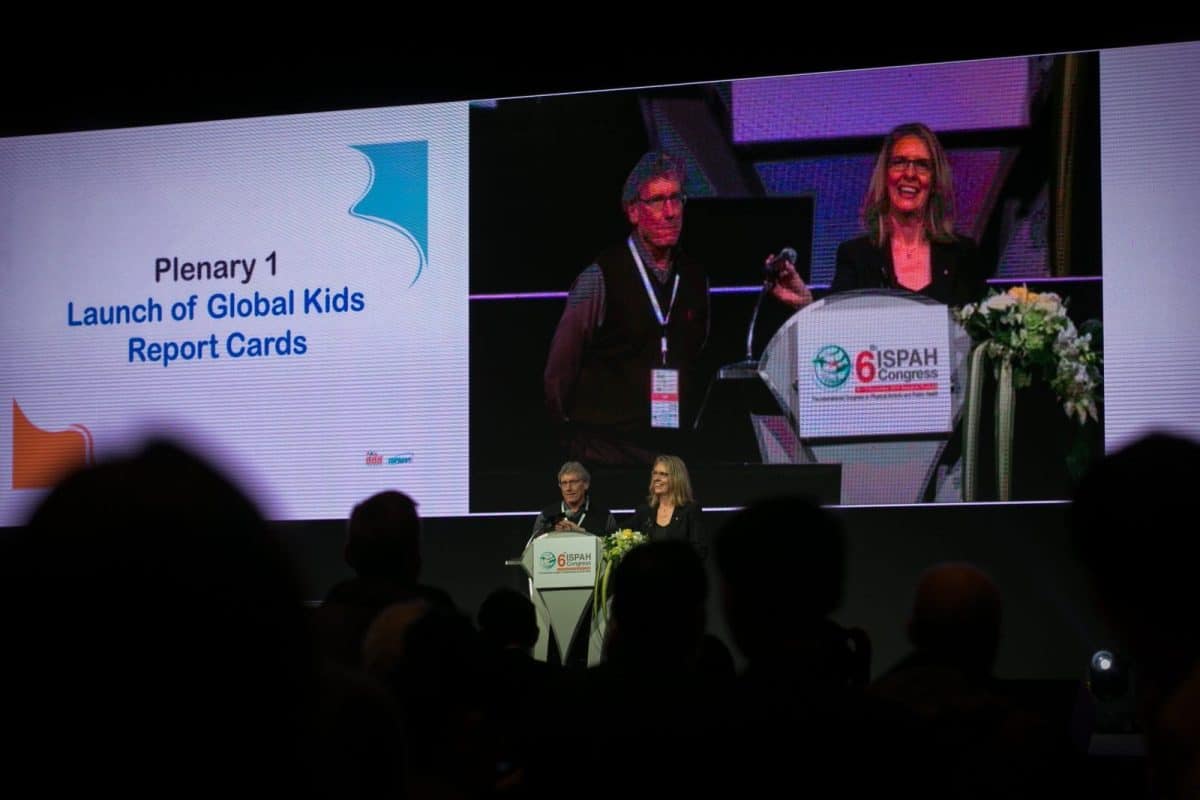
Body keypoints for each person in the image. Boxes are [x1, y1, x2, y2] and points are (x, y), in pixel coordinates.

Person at [544, 151, 710, 466]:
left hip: (670, 454)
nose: (670, 212)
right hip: (606, 454)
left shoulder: (693, 278)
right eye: (657, 201)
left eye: (676, 198)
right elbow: (559, 372)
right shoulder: (600, 277)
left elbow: (697, 354)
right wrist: (569, 439)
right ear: (633, 211)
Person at [832, 122, 988, 306]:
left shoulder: (963, 254)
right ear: (885, 175)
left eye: (922, 165)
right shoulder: (856, 255)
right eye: (899, 162)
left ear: (934, 181)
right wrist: (807, 304)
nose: (910, 174)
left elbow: (982, 321)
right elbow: (836, 319)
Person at [630, 454, 704, 557]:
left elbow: (699, 550)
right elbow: (619, 534)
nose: (656, 478)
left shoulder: (690, 510)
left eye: (663, 474)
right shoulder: (644, 511)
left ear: (677, 479)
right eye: (655, 473)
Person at [530, 461, 618, 537]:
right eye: (564, 483)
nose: (568, 488)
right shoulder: (547, 517)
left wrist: (581, 532)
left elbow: (612, 546)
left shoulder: (604, 516)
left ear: (586, 484)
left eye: (573, 482)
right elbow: (535, 545)